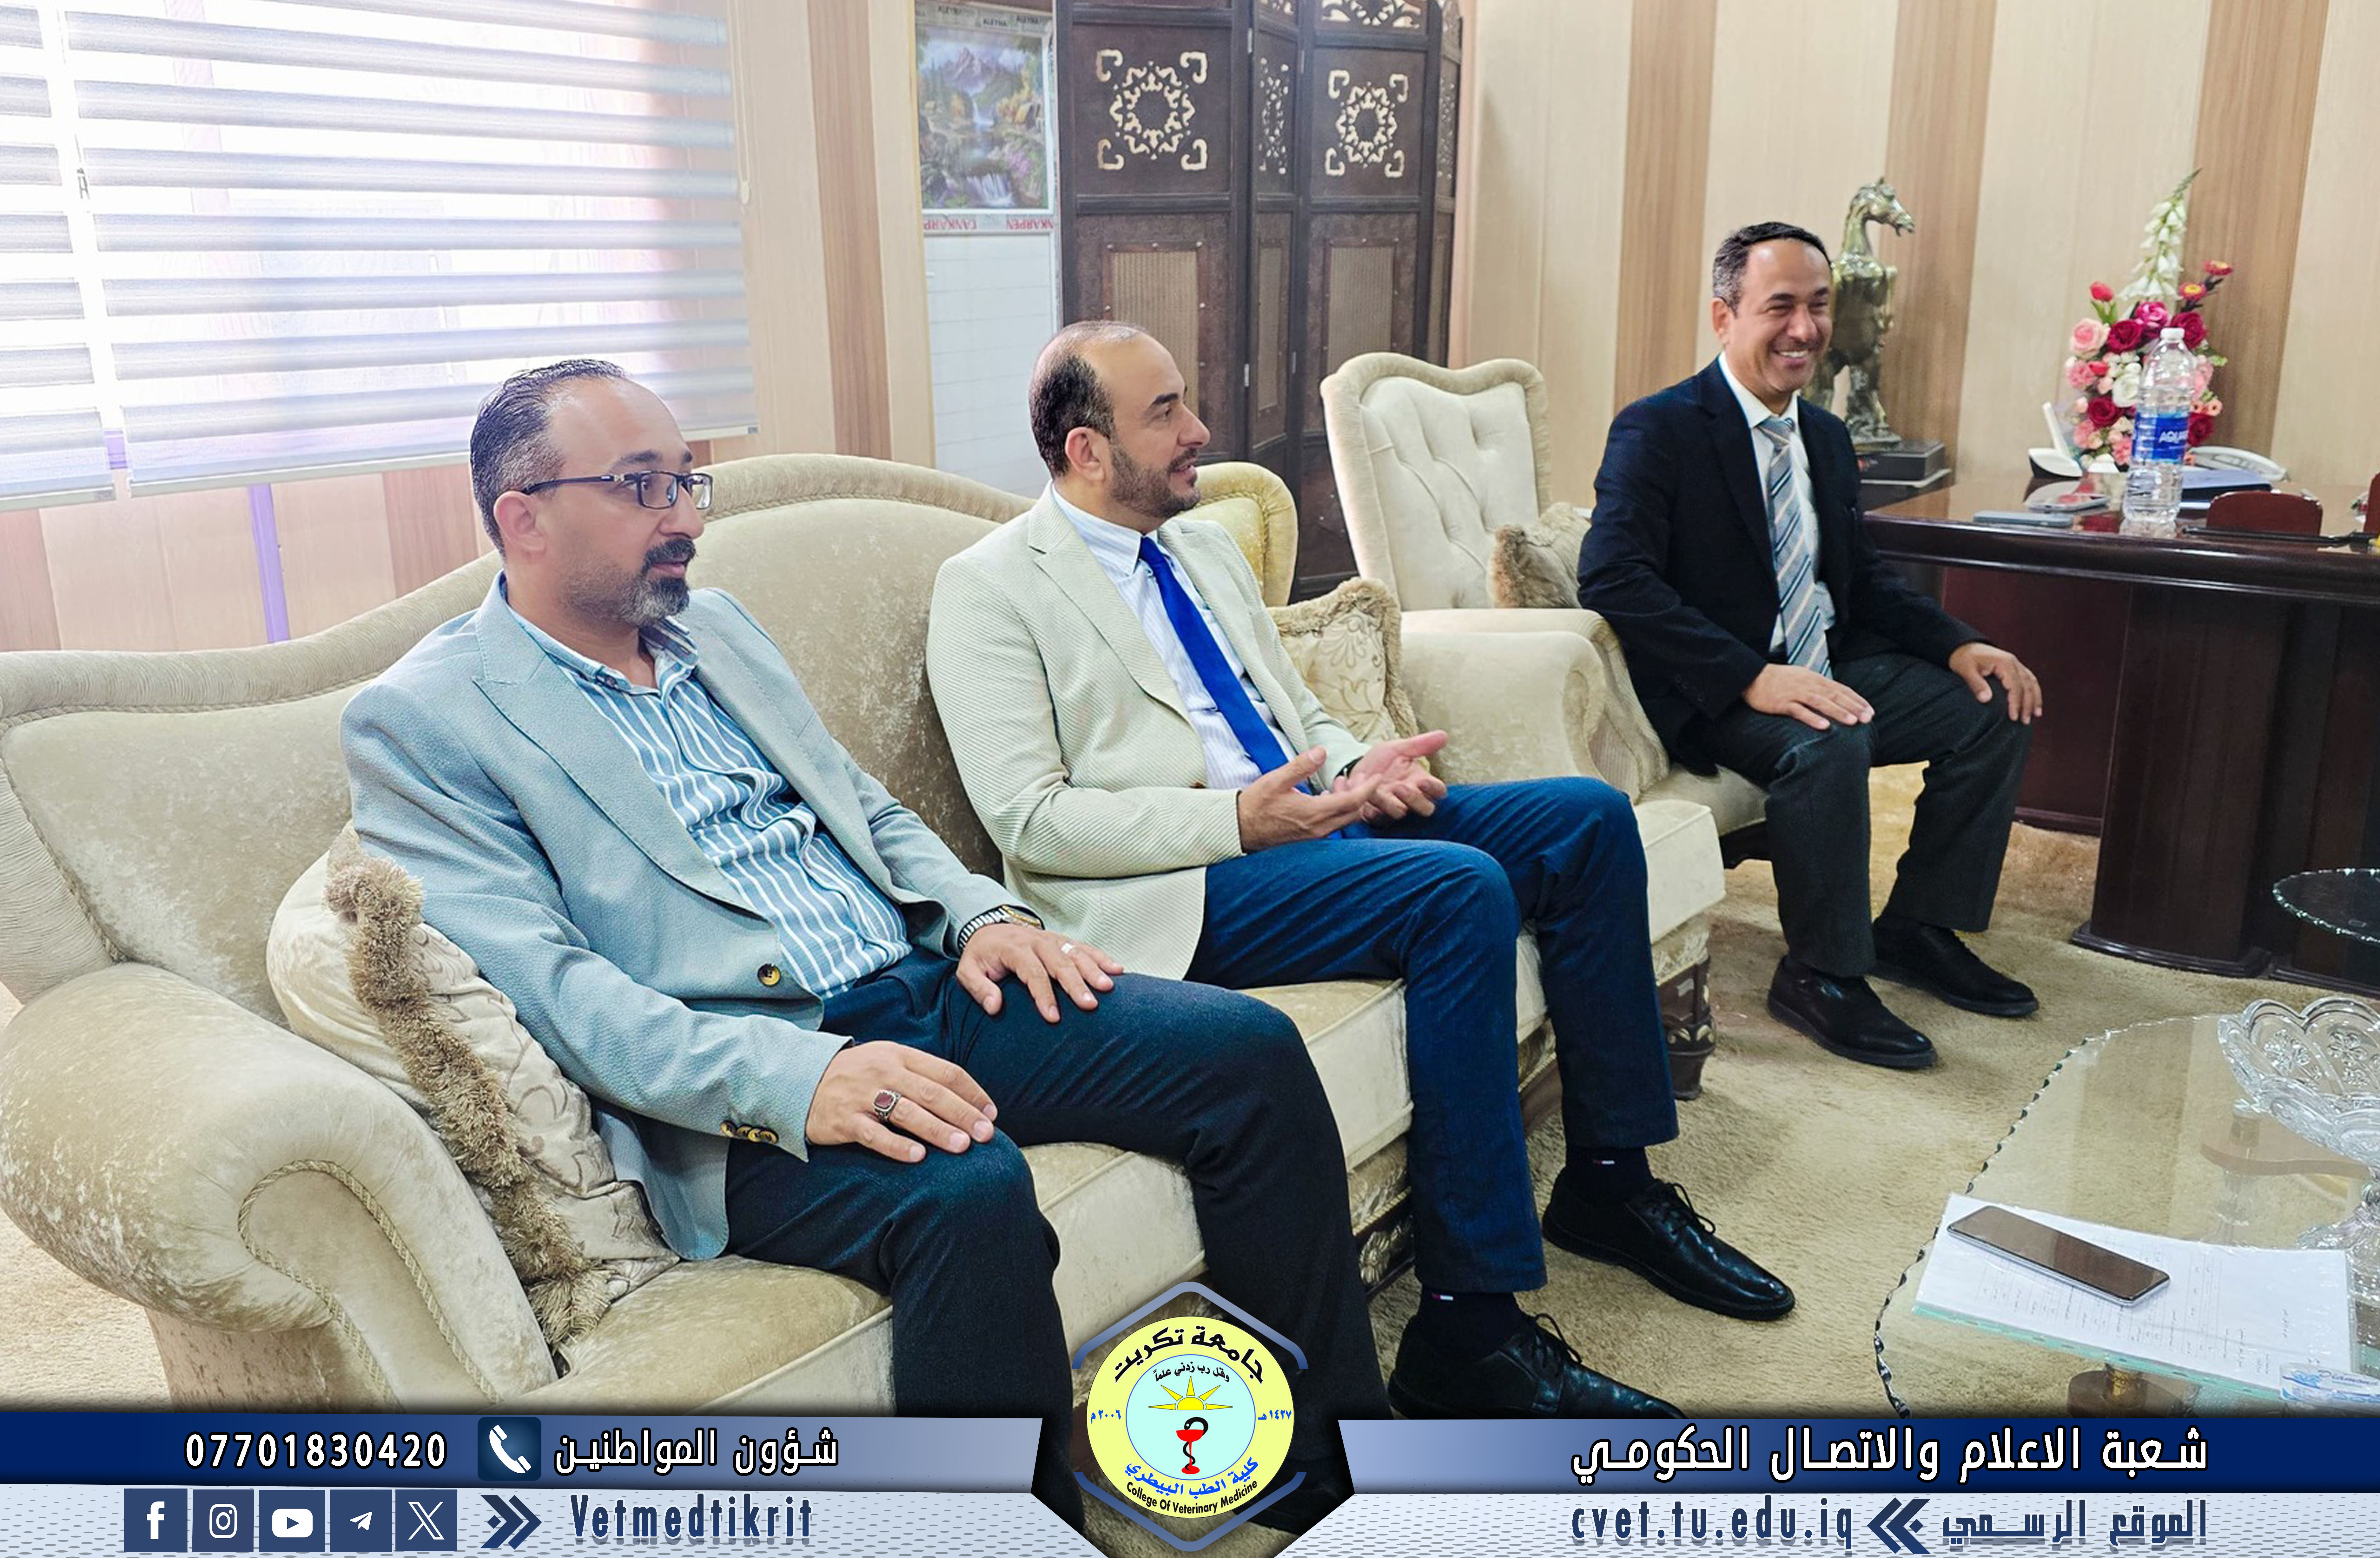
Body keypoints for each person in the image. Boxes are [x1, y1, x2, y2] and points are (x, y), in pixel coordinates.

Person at [341, 360, 1391, 1531]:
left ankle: (1327, 1473)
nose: (683, 518)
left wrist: (984, 916)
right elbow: (559, 992)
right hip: (743, 1089)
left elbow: (867, 813)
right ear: (522, 518)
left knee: (1245, 1055)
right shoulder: (425, 720)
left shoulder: (714, 629)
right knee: (966, 1190)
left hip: (921, 989)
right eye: (641, 486)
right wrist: (804, 1079)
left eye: (687, 481)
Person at [928, 322, 1794, 1425]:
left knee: (1583, 823)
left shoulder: (1199, 550)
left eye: (1186, 401)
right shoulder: (990, 586)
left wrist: (1355, 769)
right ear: (1087, 450)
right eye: (1166, 413)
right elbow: (1032, 820)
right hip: (1179, 884)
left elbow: (1296, 714)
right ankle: (1467, 1331)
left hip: (1304, 827)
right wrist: (1238, 820)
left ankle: (1609, 1186)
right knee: (1456, 891)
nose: (1200, 430)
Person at [1579, 222, 2043, 1073]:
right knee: (1827, 740)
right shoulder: (1658, 429)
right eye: (1780, 306)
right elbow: (1612, 577)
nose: (1805, 329)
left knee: (1992, 705)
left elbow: (1860, 578)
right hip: (1714, 688)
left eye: (1819, 306)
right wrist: (1749, 677)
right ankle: (1820, 973)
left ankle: (1916, 927)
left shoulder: (1824, 437)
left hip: (1822, 660)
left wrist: (1959, 646)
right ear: (1724, 317)